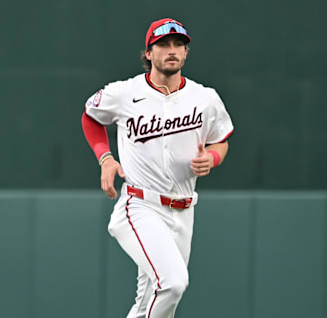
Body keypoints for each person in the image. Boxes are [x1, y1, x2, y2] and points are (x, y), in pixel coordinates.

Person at [81, 18, 233, 317]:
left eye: (178, 44)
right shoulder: (124, 93)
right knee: (173, 284)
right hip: (140, 205)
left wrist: (212, 159)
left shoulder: (205, 98)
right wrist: (105, 158)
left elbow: (221, 140)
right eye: (163, 44)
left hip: (184, 211)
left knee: (149, 302)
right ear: (148, 53)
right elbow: (91, 116)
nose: (172, 50)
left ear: (186, 53)